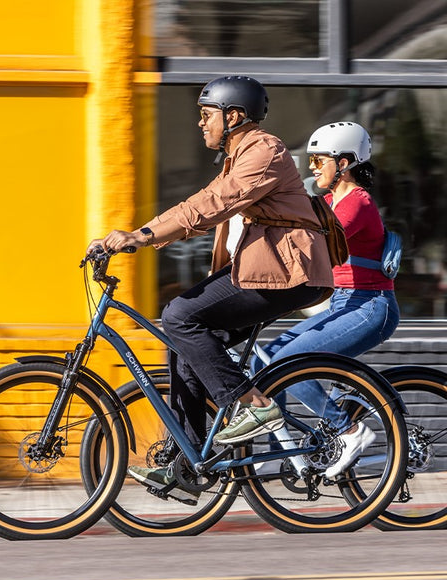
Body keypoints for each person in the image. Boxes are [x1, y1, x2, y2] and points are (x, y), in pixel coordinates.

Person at [87, 75, 334, 503]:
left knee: (180, 315)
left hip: (292, 272)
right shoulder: (239, 157)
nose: (201, 124)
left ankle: (252, 405)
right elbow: (206, 206)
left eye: (207, 115)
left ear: (233, 116)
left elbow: (211, 204)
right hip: (267, 270)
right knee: (185, 340)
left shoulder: (265, 151)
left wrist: (141, 235)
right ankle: (186, 465)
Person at [252, 121, 400, 478]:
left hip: (370, 306)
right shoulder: (330, 201)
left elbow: (311, 242)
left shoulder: (357, 203)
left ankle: (350, 430)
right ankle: (284, 452)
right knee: (265, 361)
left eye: (319, 161)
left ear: (345, 163)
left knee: (290, 361)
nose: (313, 167)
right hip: (343, 304)